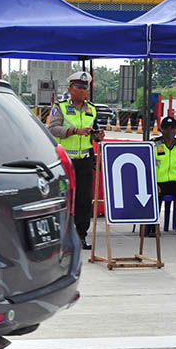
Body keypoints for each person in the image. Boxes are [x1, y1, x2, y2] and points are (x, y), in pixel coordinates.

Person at [46, 71, 105, 250]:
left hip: (85, 160)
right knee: (63, 198)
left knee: (84, 200)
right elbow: (52, 129)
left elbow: (93, 134)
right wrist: (73, 132)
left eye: (85, 88)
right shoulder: (61, 107)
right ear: (71, 89)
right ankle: (59, 235)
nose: (82, 91)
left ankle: (81, 235)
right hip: (65, 161)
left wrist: (98, 136)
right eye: (79, 88)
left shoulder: (91, 109)